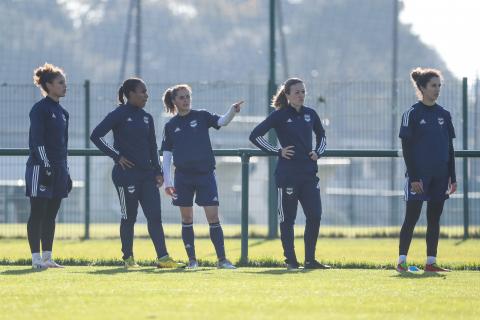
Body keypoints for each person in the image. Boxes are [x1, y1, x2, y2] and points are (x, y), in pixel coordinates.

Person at [90, 78, 184, 269]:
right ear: (130, 94)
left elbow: (152, 147)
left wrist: (158, 172)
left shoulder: (147, 117)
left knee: (155, 217)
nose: (146, 95)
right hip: (125, 176)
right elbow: (96, 136)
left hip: (147, 176)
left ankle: (163, 258)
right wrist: (117, 156)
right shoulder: (118, 114)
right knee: (129, 217)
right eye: (142, 91)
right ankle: (128, 259)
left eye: (146, 91)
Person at [249, 78, 330, 270]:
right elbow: (255, 135)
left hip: (309, 175)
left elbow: (322, 136)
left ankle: (310, 260)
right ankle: (291, 260)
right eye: (297, 92)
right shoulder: (279, 115)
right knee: (287, 219)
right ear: (287, 95)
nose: (301, 95)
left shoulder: (311, 114)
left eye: (303, 92)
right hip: (287, 176)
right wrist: (278, 151)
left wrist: (318, 152)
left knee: (315, 215)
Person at [161, 84, 243, 269]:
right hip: (183, 178)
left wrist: (232, 111)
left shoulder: (201, 116)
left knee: (213, 217)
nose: (186, 100)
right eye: (181, 97)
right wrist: (168, 182)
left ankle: (222, 260)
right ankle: (192, 261)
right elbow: (166, 158)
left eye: (187, 96)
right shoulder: (170, 126)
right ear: (174, 101)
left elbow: (222, 121)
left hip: (205, 175)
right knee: (187, 219)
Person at [397, 68, 457, 273]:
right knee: (411, 218)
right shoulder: (411, 114)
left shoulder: (444, 115)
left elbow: (449, 148)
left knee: (434, 219)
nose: (437, 89)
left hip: (440, 177)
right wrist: (414, 177)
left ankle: (431, 263)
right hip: (419, 177)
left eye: (439, 86)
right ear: (422, 88)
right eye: (433, 86)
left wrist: (453, 177)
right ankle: (401, 262)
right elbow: (406, 149)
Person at [26, 63, 72, 269]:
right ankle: (35, 258)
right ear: (48, 85)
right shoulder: (39, 109)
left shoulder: (63, 112)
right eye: (60, 83)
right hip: (40, 168)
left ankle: (47, 258)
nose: (65, 86)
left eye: (65, 82)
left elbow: (64, 145)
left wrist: (66, 171)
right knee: (38, 212)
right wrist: (46, 166)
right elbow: (37, 141)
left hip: (59, 169)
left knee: (51, 215)